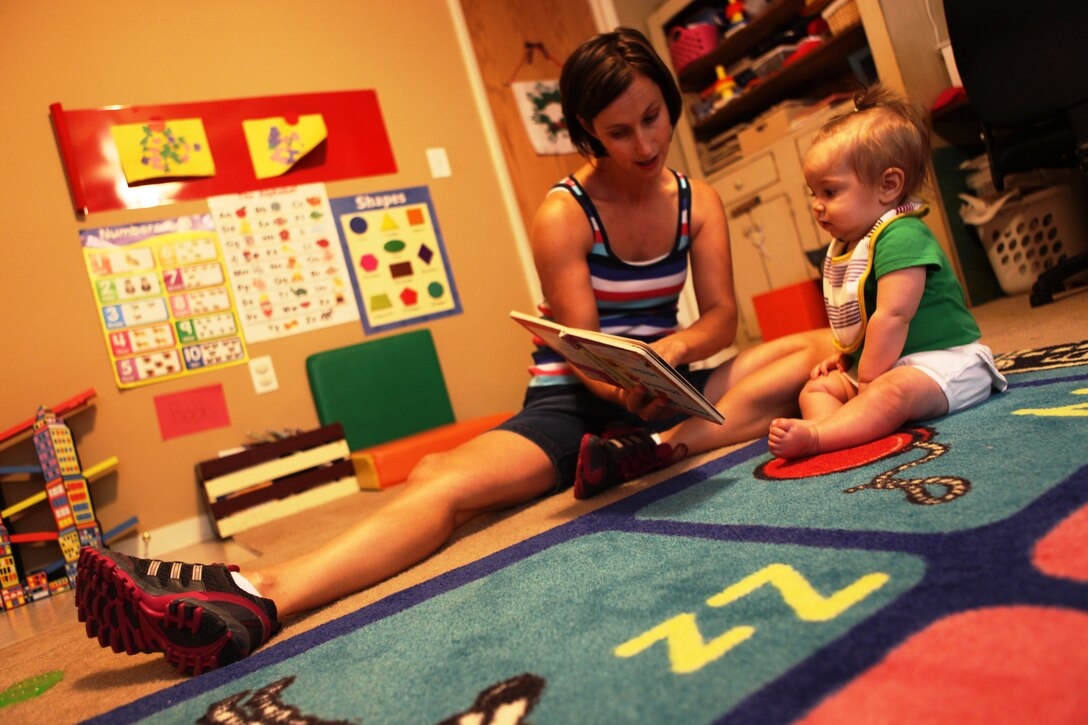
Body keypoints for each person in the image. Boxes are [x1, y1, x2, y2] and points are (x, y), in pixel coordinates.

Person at [75, 27, 831, 676]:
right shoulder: (563, 214)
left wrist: (670, 352)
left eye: (653, 119)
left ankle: (656, 445)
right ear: (587, 130)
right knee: (442, 479)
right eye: (620, 130)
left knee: (812, 347)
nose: (644, 143)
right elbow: (584, 349)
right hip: (579, 398)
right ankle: (257, 592)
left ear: (668, 102)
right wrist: (623, 387)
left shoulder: (698, 201)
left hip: (664, 381)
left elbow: (724, 316)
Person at [767, 85, 1007, 460]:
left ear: (888, 186)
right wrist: (845, 357)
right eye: (813, 193)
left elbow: (893, 315)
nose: (817, 206)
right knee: (816, 389)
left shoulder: (903, 234)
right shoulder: (850, 245)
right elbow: (862, 316)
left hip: (945, 362)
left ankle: (820, 438)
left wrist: (866, 379)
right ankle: (834, 432)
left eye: (830, 192)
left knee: (888, 393)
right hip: (886, 365)